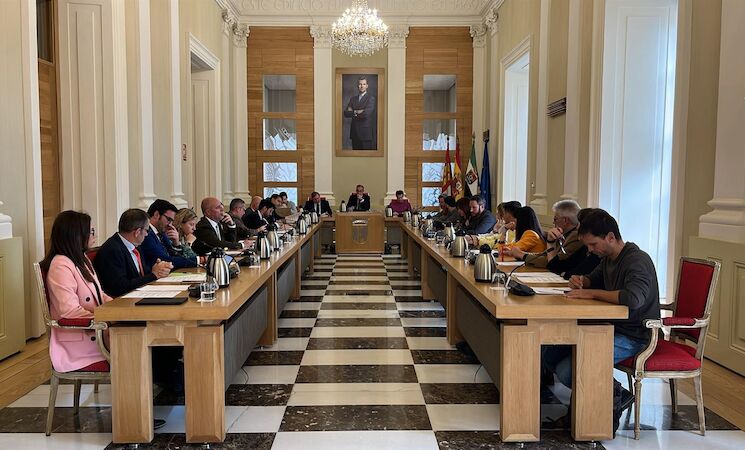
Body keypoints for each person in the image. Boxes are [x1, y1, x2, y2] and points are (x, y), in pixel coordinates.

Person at [542, 209, 660, 434]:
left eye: (593, 244)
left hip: (634, 336)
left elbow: (633, 298)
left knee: (568, 371)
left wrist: (591, 293)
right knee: (550, 352)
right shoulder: (607, 259)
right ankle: (611, 397)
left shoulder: (637, 260)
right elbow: (592, 280)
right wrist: (581, 281)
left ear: (610, 237)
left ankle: (612, 398)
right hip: (607, 327)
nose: (590, 250)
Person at [41, 210, 112, 373]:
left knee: (139, 337)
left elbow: (99, 295)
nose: (94, 235)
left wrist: (118, 307)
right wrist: (106, 317)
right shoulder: (60, 265)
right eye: (91, 231)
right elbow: (69, 311)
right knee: (135, 344)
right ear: (77, 235)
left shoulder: (81, 259)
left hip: (97, 331)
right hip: (81, 342)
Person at [94, 209, 173, 298]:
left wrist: (157, 269)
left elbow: (141, 275)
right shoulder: (112, 250)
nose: (147, 234)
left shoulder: (135, 246)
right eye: (147, 230)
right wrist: (154, 275)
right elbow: (120, 287)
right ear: (137, 232)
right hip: (122, 302)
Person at [508, 200, 584, 267]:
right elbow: (544, 255)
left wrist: (522, 255)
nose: (553, 222)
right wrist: (522, 254)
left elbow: (552, 262)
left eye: (555, 219)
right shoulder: (563, 234)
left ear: (565, 220)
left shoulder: (576, 237)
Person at [139, 199, 197, 269]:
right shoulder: (146, 234)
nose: (170, 224)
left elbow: (176, 257)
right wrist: (197, 260)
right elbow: (164, 259)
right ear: (156, 215)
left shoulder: (162, 234)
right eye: (168, 219)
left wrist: (176, 244)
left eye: (172, 221)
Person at [546, 208, 602, 279]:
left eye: (579, 225)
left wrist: (566, 273)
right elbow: (554, 266)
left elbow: (576, 274)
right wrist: (550, 242)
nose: (577, 228)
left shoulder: (596, 252)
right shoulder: (585, 248)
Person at [344, 76, 376, 150]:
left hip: (365, 134)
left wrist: (353, 112)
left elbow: (366, 114)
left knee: (366, 156)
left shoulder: (371, 98)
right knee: (355, 156)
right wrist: (357, 111)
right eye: (360, 84)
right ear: (357, 85)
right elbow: (346, 113)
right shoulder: (353, 99)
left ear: (367, 86)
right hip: (354, 133)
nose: (362, 86)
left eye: (364, 84)